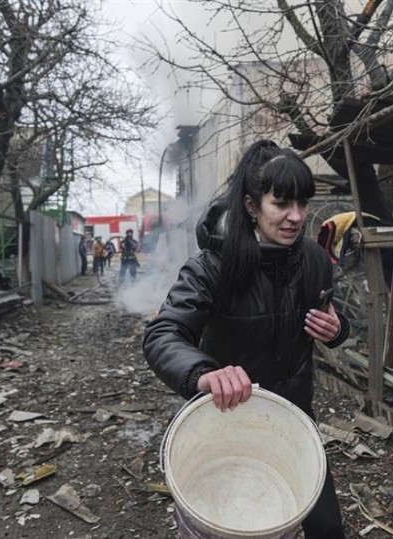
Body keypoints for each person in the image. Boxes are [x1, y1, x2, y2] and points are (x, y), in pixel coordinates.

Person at [143, 140, 349, 538]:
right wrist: (205, 374)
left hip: (294, 421)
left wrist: (338, 331)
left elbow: (337, 321)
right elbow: (163, 333)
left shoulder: (315, 262)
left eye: (302, 204)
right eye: (282, 203)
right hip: (227, 421)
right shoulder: (213, 266)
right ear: (252, 206)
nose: (295, 217)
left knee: (326, 527)